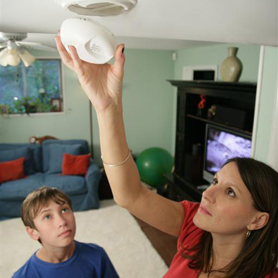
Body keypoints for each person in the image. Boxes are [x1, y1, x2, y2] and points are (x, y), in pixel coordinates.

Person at [55, 35, 278, 278]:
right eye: (215, 182)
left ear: (257, 220)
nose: (206, 193)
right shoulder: (195, 227)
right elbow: (130, 195)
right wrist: (107, 108)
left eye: (230, 192)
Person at [12, 186, 119, 278]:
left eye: (64, 210)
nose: (62, 221)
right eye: (47, 216)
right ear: (33, 233)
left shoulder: (97, 256)